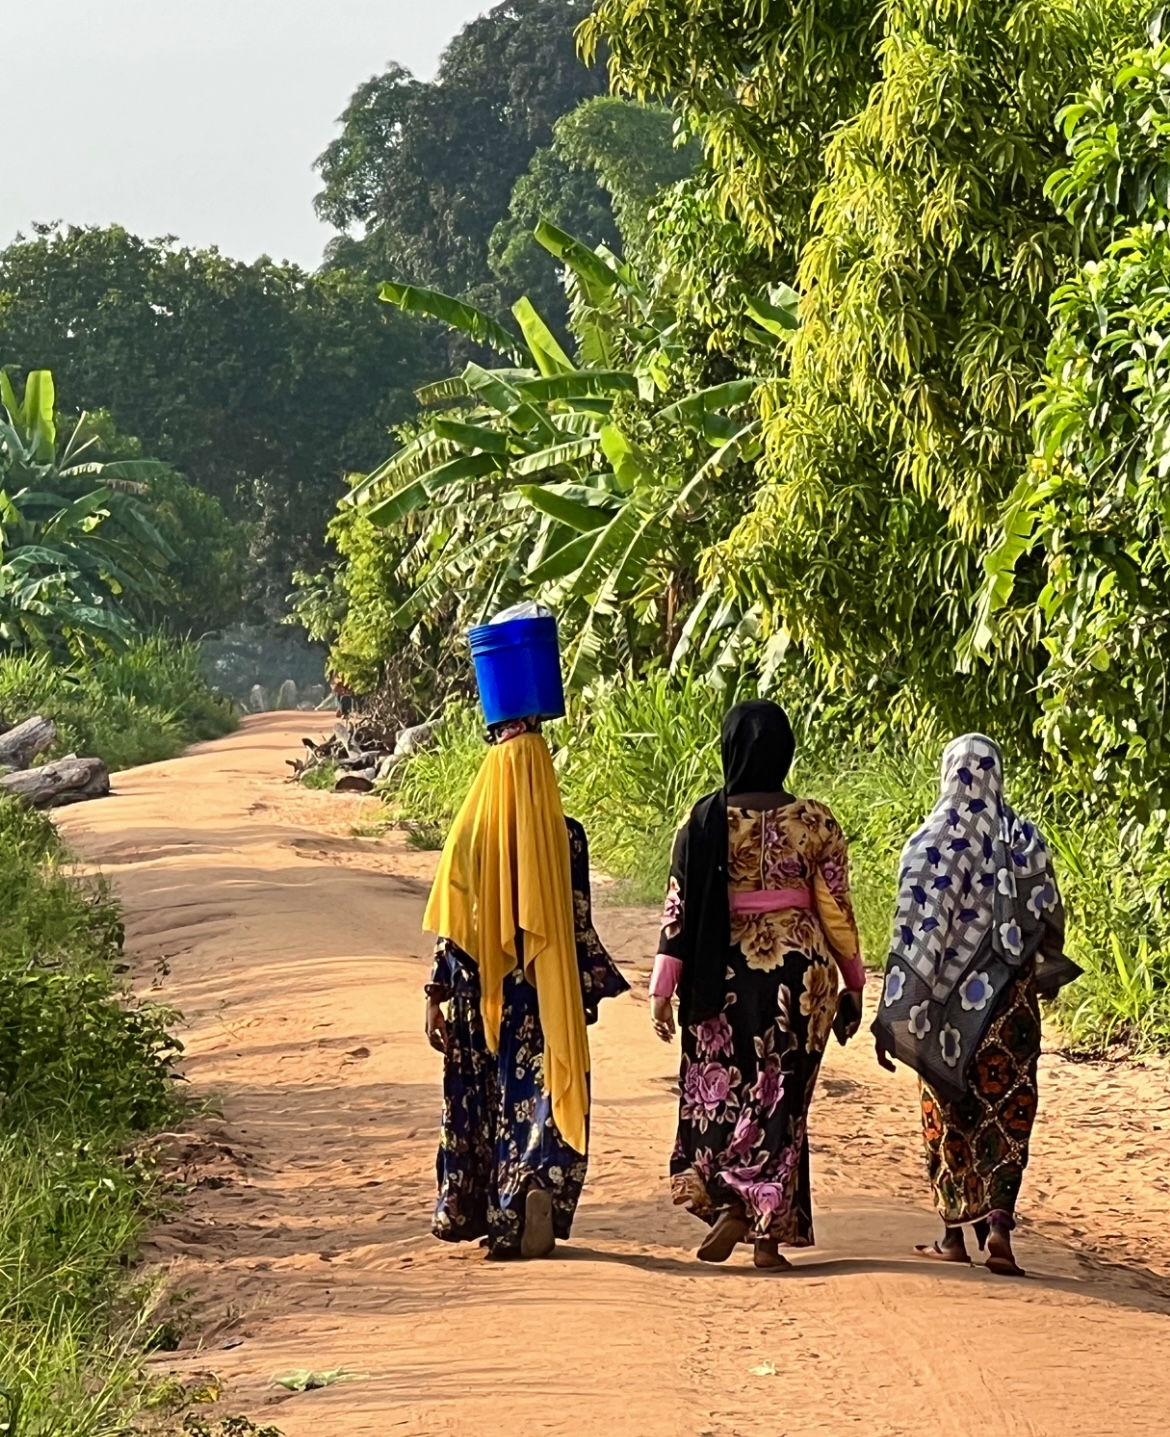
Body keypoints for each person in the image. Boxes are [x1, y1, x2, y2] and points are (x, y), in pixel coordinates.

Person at [650, 699, 866, 1268]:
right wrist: (854, 982)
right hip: (802, 976)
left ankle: (729, 1192)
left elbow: (679, 912)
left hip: (718, 973)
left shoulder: (702, 822)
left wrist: (661, 989)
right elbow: (836, 909)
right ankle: (765, 1234)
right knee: (782, 1095)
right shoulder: (815, 821)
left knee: (725, 1087)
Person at [871, 733, 1079, 1277]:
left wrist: (894, 1014)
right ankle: (1001, 1226)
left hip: (944, 1011)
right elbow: (1049, 915)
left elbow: (911, 935)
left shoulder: (930, 842)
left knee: (948, 1114)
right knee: (1006, 1111)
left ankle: (951, 1236)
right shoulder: (1025, 840)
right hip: (1010, 1009)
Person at [423, 715, 628, 1260]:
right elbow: (578, 920)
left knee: (482, 1101)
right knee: (537, 1096)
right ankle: (532, 1184)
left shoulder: (469, 834)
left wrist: (434, 996)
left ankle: (487, 1214)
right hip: (544, 990)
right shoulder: (568, 837)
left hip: (478, 992)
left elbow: (454, 922)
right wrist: (585, 988)